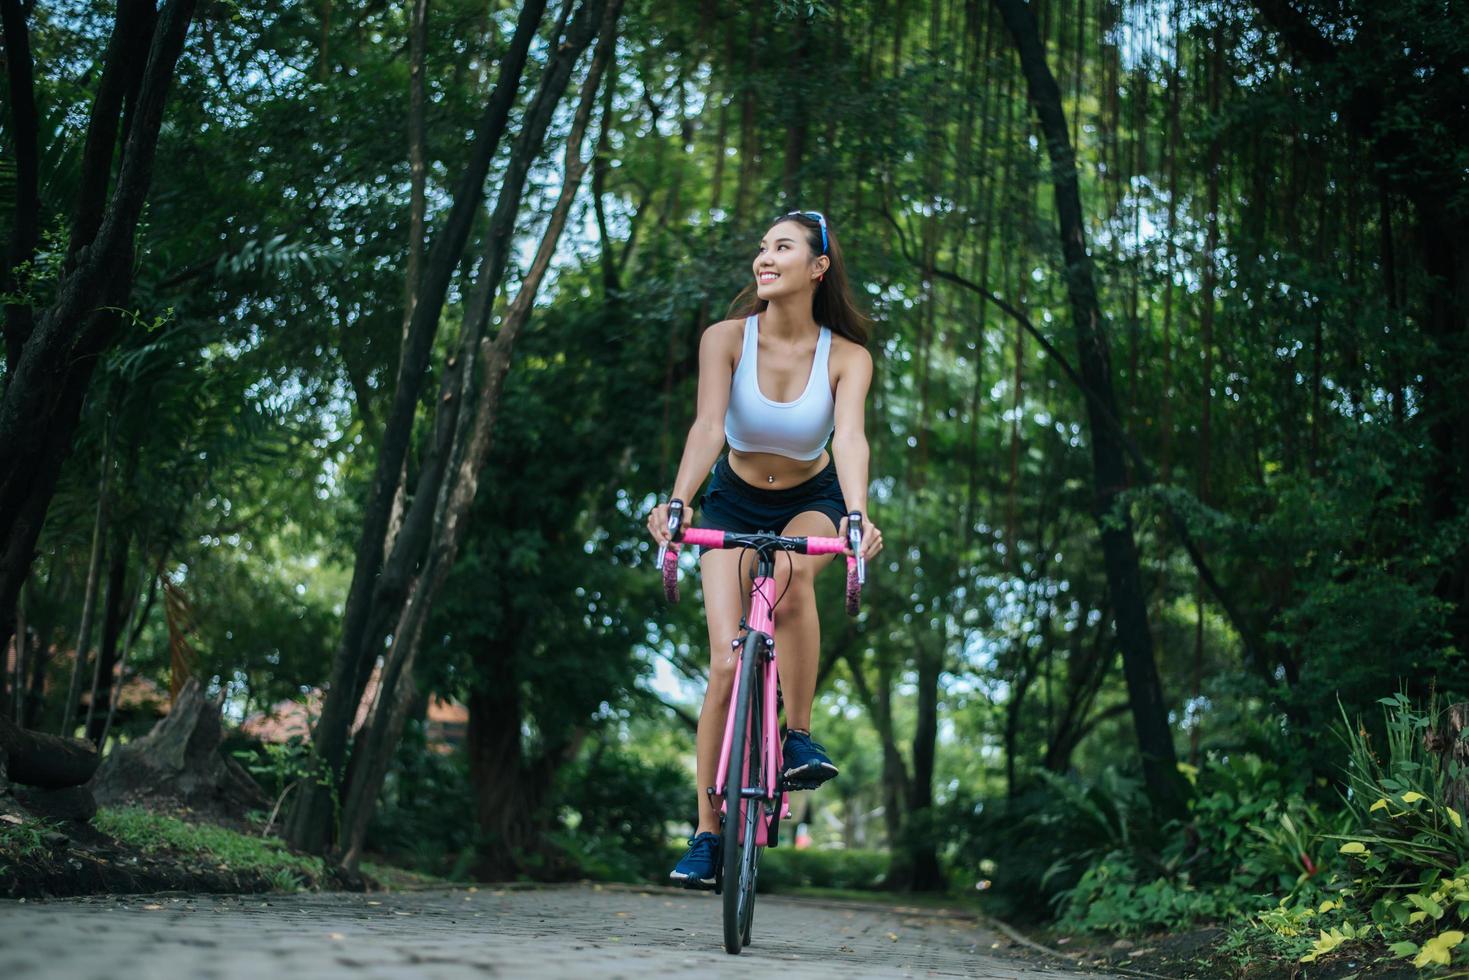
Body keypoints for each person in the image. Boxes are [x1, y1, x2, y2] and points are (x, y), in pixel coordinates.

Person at [646, 210, 884, 888]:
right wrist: (678, 499)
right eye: (761, 247)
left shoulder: (847, 356)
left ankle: (798, 735)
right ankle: (706, 833)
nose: (763, 257)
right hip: (732, 498)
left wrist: (857, 515)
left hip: (812, 499)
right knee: (724, 667)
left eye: (781, 247)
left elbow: (849, 441)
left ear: (817, 268)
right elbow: (706, 425)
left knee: (793, 572)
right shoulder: (724, 339)